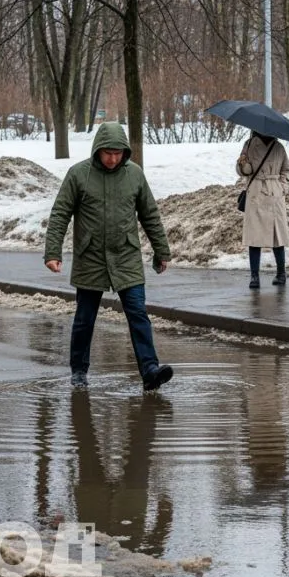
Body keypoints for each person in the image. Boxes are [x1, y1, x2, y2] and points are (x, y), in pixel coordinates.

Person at [43, 122, 174, 391]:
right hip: (90, 257)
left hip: (126, 255)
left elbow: (150, 214)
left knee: (138, 314)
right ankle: (79, 370)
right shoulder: (79, 175)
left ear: (125, 152)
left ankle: (150, 369)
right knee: (84, 319)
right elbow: (60, 214)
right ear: (98, 150)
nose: (113, 158)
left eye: (118, 153)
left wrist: (162, 250)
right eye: (108, 153)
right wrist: (52, 252)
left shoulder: (134, 175)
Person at [237, 130, 289, 289]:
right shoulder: (248, 145)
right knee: (254, 238)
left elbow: (286, 170)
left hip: (274, 194)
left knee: (277, 237)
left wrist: (282, 187)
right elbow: (244, 171)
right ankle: (254, 276)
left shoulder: (279, 147)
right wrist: (242, 165)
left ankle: (281, 273)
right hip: (256, 193)